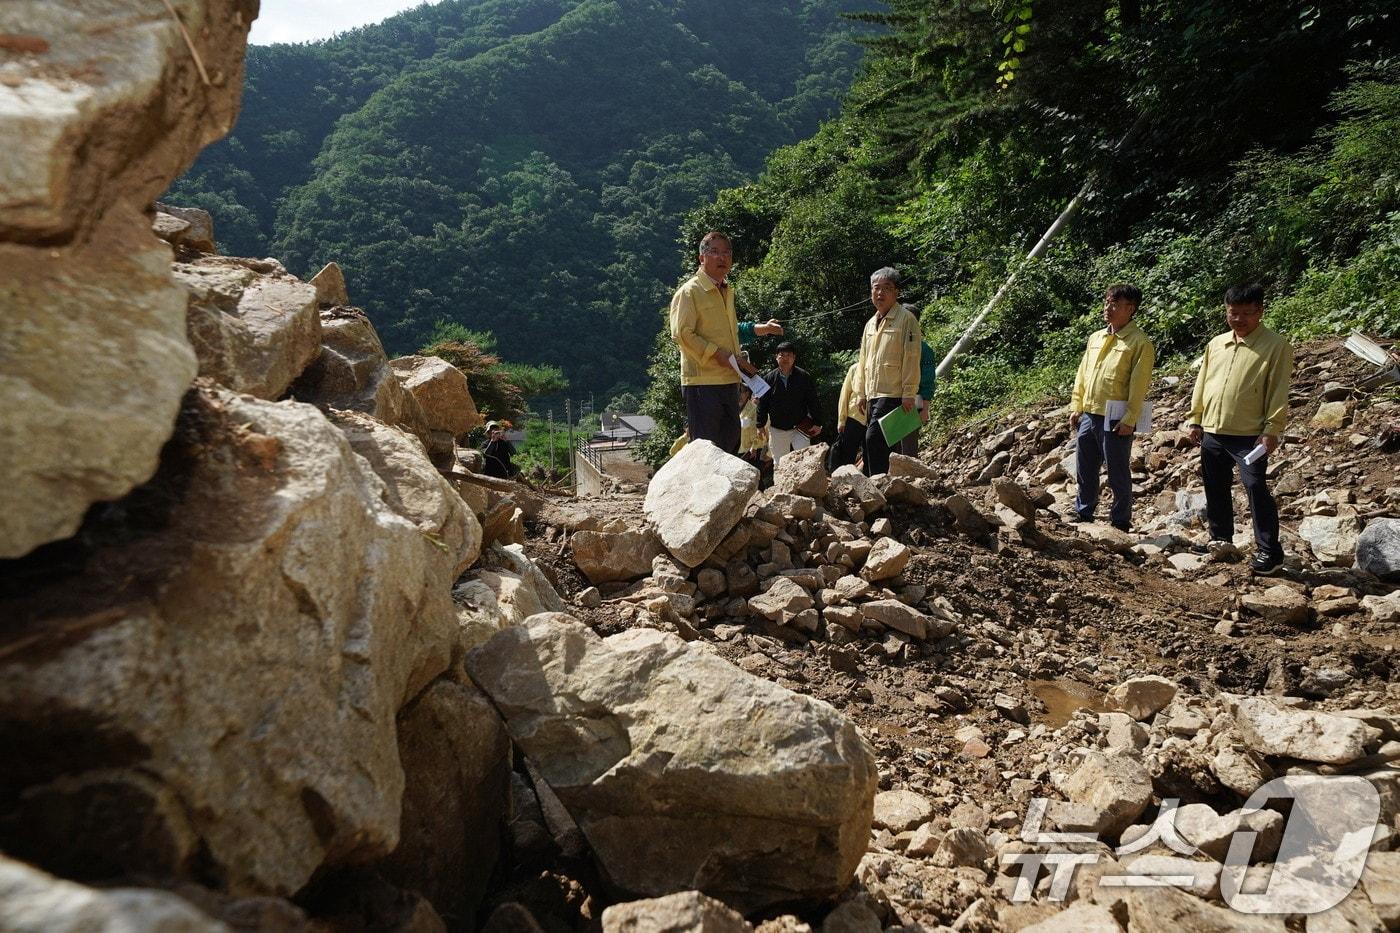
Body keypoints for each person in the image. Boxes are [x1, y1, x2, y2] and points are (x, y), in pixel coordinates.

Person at [1187, 283, 1293, 575]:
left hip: (1250, 435)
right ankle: (1220, 538)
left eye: (1246, 313)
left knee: (1255, 486)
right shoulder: (1216, 344)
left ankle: (1270, 550)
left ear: (1260, 311)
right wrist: (1196, 419)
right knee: (1215, 484)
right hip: (1213, 430)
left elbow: (1278, 390)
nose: (1239, 319)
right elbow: (1203, 383)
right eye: (1233, 313)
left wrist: (1272, 429)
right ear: (1226, 311)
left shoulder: (1275, 345)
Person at [668, 231, 782, 455]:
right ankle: (704, 491)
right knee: (707, 448)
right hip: (702, 381)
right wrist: (715, 353)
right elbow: (681, 333)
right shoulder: (689, 292)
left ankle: (724, 490)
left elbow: (732, 332)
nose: (722, 258)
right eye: (715, 252)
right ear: (702, 258)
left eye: (727, 253)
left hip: (729, 379)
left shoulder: (727, 291)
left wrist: (762, 329)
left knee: (730, 442)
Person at [1067, 283, 1155, 532]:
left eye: (1115, 304)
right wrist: (1077, 405)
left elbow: (1139, 386)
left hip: (1116, 417)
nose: (1108, 308)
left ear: (1131, 309)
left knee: (1117, 470)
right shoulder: (1096, 337)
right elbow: (1083, 373)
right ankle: (1084, 512)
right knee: (1085, 466)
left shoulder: (1140, 343)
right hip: (1089, 412)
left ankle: (1120, 520)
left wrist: (1130, 418)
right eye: (1107, 302)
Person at [853, 267, 922, 476]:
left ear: (897, 292)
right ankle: (888, 489)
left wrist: (909, 392)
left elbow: (911, 358)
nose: (880, 293)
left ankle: (878, 486)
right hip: (873, 393)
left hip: (894, 393)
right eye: (876, 288)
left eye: (886, 288)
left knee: (872, 439)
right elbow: (863, 360)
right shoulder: (869, 325)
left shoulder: (906, 319)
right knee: (880, 444)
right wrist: (861, 393)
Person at [755, 341, 821, 464]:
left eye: (789, 355)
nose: (785, 358)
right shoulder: (769, 378)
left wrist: (817, 422)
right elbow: (762, 404)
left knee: (805, 461)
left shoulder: (804, 377)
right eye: (782, 355)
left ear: (794, 357)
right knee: (779, 463)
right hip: (777, 428)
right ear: (776, 357)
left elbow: (813, 400)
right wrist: (760, 425)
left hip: (800, 427)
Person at [898, 339, 938, 457]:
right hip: (891, 401)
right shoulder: (893, 347)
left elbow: (928, 382)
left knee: (908, 449)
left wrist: (925, 409)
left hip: (912, 403)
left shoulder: (924, 349)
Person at [828, 361, 865, 472]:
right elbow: (845, 394)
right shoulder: (855, 368)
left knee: (870, 455)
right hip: (854, 416)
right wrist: (841, 420)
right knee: (846, 455)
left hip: (873, 417)